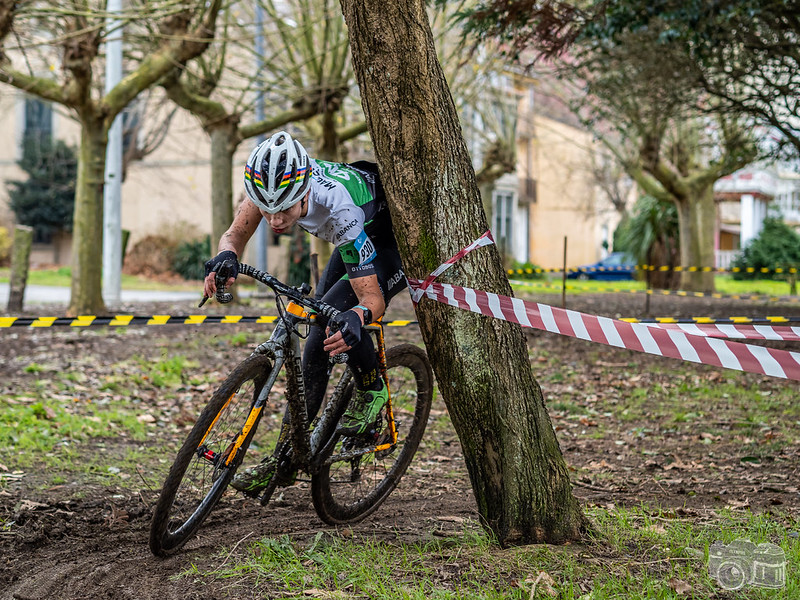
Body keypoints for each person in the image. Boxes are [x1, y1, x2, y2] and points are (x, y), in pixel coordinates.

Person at [202, 131, 407, 494]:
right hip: (346, 240)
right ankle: (284, 461)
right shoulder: (268, 189)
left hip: (387, 236)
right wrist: (226, 258)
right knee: (317, 337)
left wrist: (357, 317)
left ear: (305, 193)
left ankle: (371, 391)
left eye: (284, 209)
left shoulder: (337, 208)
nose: (275, 219)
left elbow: (372, 300)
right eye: (267, 209)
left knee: (333, 324)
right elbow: (232, 236)